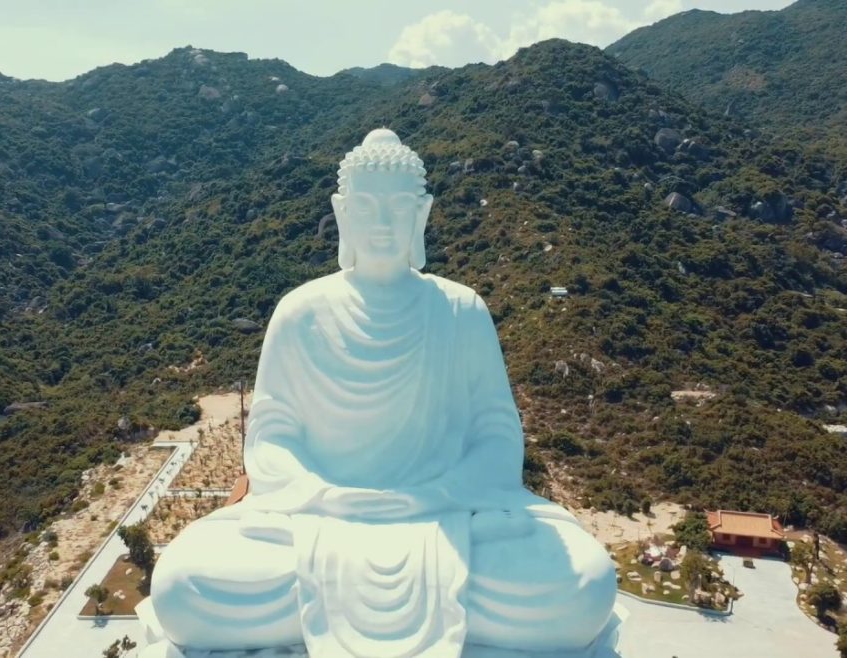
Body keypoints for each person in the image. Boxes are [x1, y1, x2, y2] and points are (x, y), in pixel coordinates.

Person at [137, 129, 620, 658]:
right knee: (182, 585)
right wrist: (323, 493)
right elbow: (271, 440)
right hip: (322, 515)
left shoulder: (461, 309)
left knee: (585, 585)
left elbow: (497, 437)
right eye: (367, 207)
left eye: (398, 207)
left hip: (443, 515)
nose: (384, 223)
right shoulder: (301, 311)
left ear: (423, 213)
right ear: (342, 213)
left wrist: (437, 494)